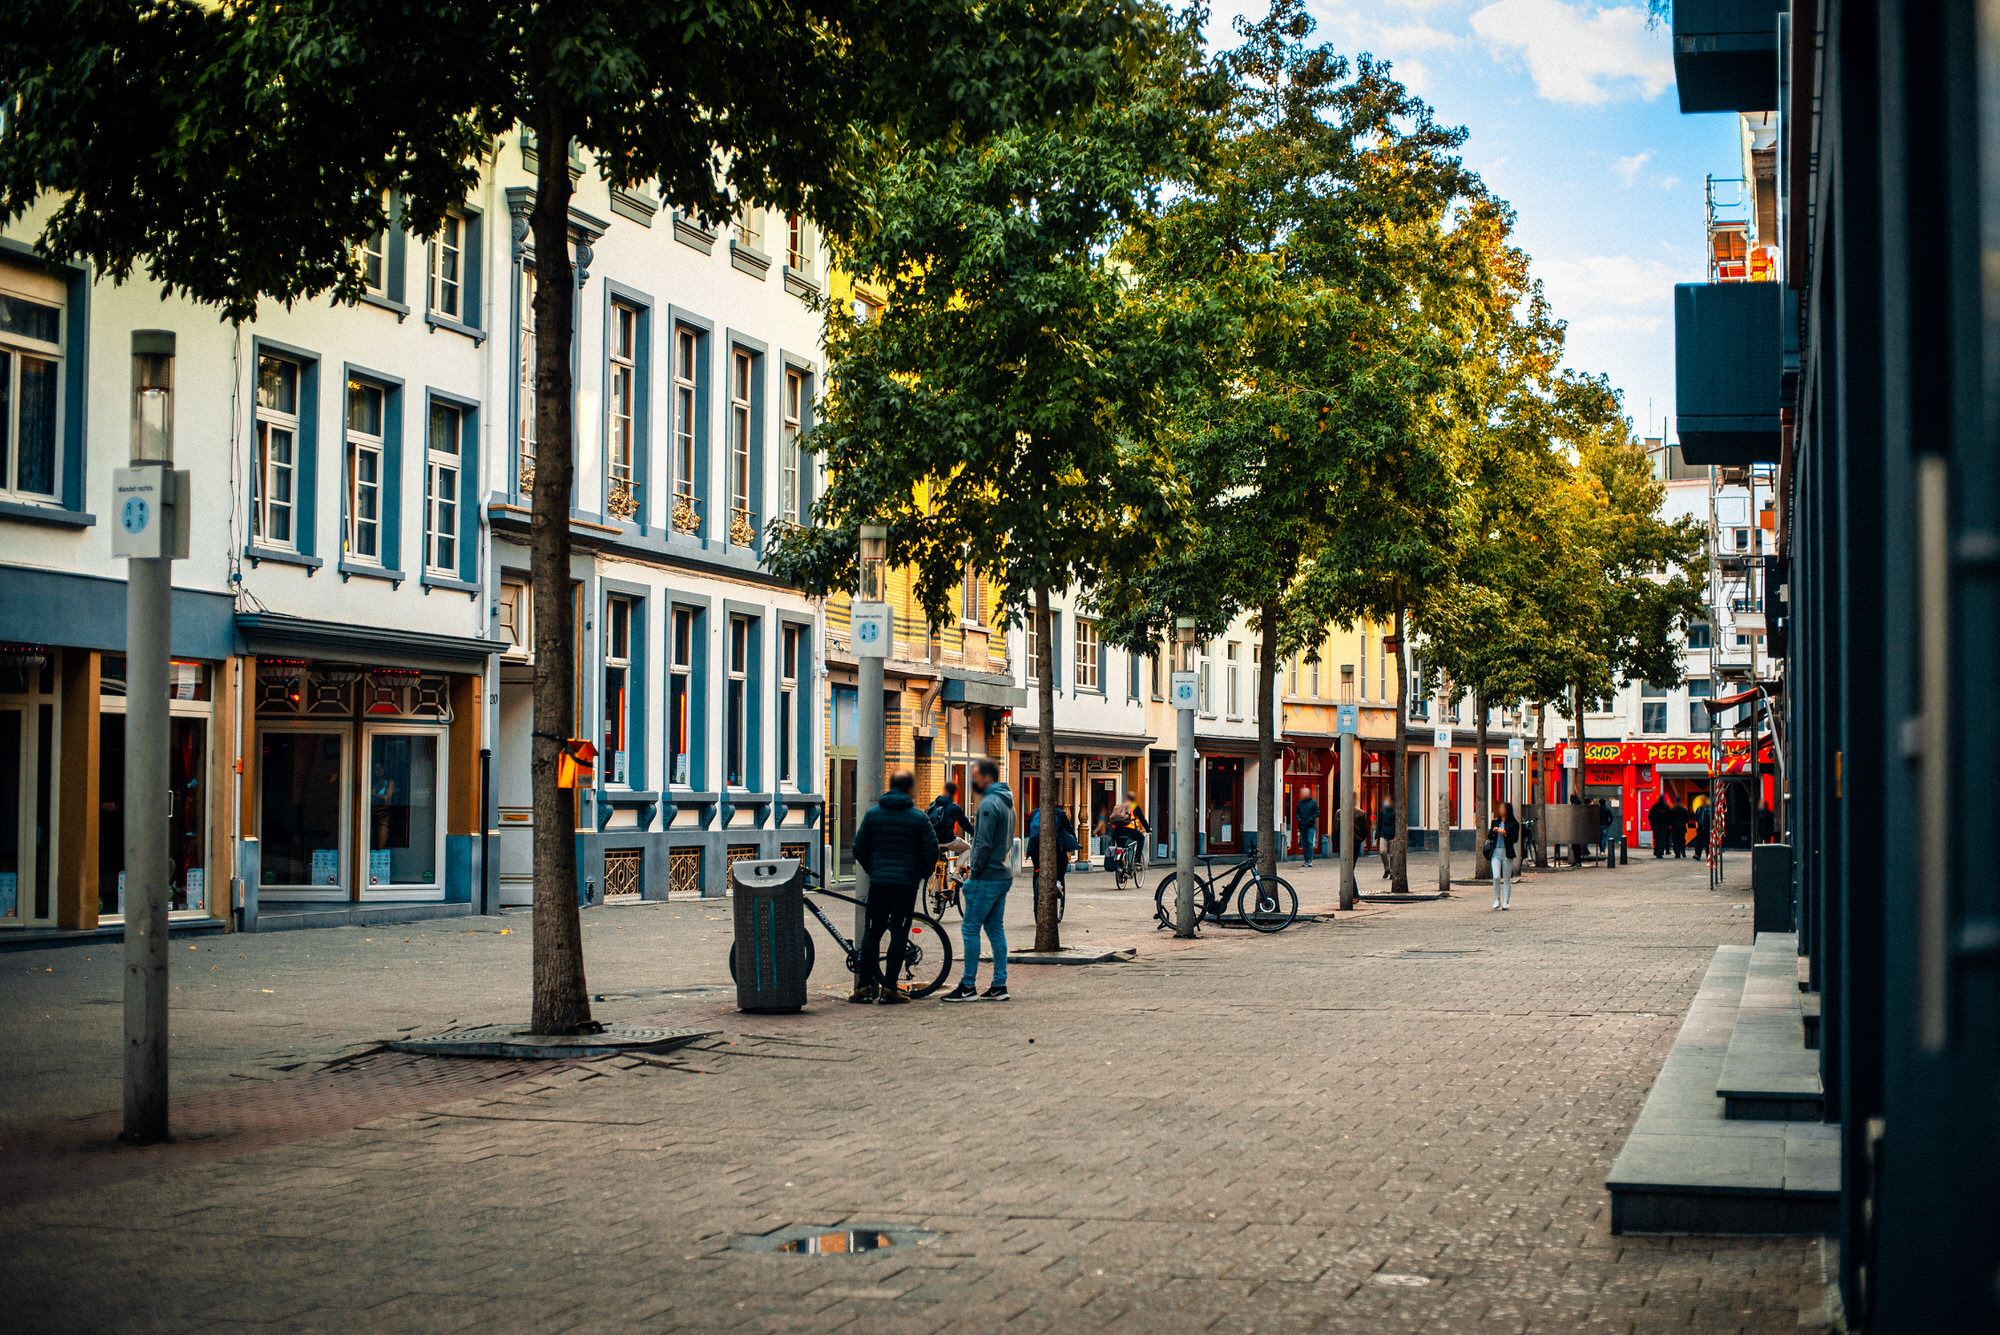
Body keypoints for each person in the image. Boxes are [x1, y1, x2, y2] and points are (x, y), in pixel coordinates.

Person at [849, 769, 940, 1005]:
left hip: (879, 885)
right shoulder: (919, 818)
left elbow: (858, 847)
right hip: (905, 887)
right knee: (899, 934)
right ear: (910, 789)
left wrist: (874, 869)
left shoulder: (873, 815)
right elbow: (932, 852)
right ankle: (890, 988)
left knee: (872, 933)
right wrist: (920, 874)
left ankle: (865, 987)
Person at [945, 759, 1015, 1002]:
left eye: (975, 776)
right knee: (996, 929)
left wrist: (973, 874)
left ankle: (967, 985)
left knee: (970, 928)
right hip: (1003, 874)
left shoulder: (988, 805)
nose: (973, 781)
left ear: (986, 778)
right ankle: (999, 984)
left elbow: (982, 843)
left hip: (987, 877)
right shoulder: (1008, 803)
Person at [1488, 801, 1521, 909]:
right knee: (1496, 876)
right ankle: (1497, 899)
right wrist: (1494, 831)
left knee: (1506, 878)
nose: (1501, 810)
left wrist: (1505, 833)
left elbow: (1515, 839)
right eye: (1500, 808)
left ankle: (1506, 901)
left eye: (1503, 808)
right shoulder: (1495, 822)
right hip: (1495, 853)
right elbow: (1489, 836)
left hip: (1507, 853)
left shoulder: (1514, 824)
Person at [1295, 793, 1321, 868]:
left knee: (1309, 841)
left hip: (1310, 825)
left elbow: (1317, 813)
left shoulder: (1313, 803)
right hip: (1303, 825)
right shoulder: (1300, 803)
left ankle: (1309, 860)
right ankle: (1306, 859)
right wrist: (1299, 818)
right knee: (1304, 842)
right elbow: (1297, 812)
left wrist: (1311, 818)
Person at [1375, 799, 1397, 878]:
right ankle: (1386, 869)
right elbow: (1379, 823)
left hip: (1392, 835)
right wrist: (1377, 834)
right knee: (1382, 852)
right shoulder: (1382, 811)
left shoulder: (1395, 812)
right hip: (1383, 835)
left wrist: (1396, 835)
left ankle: (1392, 872)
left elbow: (1397, 824)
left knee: (1392, 855)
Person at [1647, 793, 1672, 859]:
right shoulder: (1666, 807)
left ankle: (1655, 851)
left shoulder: (1654, 806)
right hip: (1663, 826)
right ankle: (1659, 853)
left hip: (1655, 825)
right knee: (1662, 839)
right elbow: (1669, 816)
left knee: (1656, 838)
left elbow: (1650, 816)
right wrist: (1668, 824)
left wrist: (1652, 824)